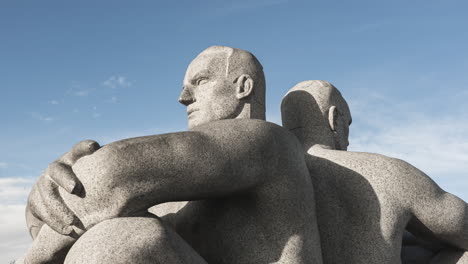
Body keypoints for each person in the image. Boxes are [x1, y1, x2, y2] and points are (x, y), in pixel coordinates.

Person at [23, 46, 323, 264]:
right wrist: (46, 197)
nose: (183, 98)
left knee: (120, 240)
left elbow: (114, 173)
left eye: (200, 81)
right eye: (183, 87)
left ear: (243, 87)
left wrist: (80, 180)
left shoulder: (269, 141)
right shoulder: (184, 187)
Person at [281, 80, 468, 264]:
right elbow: (461, 225)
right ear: (334, 118)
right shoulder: (389, 173)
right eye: (348, 123)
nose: (348, 140)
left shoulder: (268, 180)